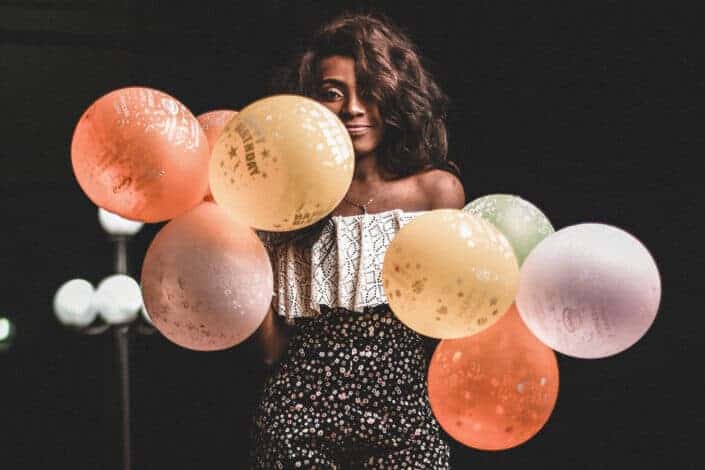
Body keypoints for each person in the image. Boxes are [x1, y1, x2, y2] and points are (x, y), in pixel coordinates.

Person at [250, 12, 465, 469]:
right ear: (306, 103)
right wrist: (242, 247)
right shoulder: (280, 203)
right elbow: (271, 350)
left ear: (393, 94)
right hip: (296, 425)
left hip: (404, 423)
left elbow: (445, 332)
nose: (352, 107)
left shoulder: (436, 192)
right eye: (332, 93)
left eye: (368, 89)